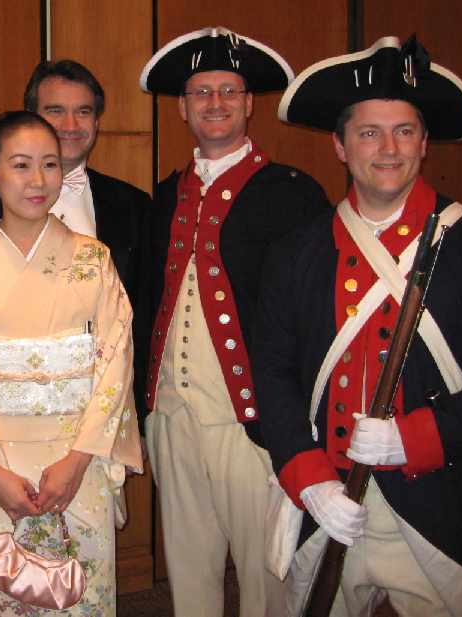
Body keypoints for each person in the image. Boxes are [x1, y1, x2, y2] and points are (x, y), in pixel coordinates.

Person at [254, 35, 462, 616]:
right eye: (369, 132)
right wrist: (308, 477)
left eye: (404, 130)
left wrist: (417, 437)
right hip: (326, 508)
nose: (388, 148)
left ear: (424, 142)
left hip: (438, 509)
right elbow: (271, 375)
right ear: (341, 146)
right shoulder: (295, 252)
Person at [137, 27, 329, 617]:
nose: (214, 102)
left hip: (253, 423)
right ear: (182, 107)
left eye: (228, 90)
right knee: (188, 572)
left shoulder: (293, 194)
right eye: (201, 92)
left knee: (264, 575)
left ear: (249, 103)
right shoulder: (164, 196)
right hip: (172, 413)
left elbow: (314, 317)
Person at [0, 111, 142, 617]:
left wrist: (78, 459)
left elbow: (115, 365)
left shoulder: (94, 260)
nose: (38, 180)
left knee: (80, 600)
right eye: (20, 165)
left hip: (77, 465)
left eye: (50, 164)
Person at [0, 60, 153, 421]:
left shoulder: (133, 204)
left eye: (83, 112)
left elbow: (142, 319)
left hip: (99, 415)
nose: (71, 126)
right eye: (56, 111)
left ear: (97, 121)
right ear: (31, 117)